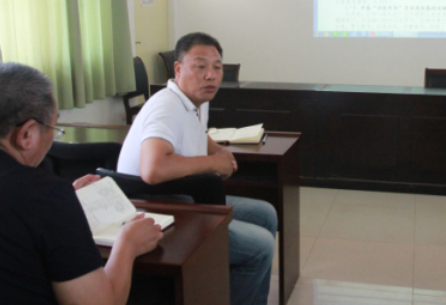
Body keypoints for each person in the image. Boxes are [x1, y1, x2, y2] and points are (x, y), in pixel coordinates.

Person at [117, 32, 277, 305]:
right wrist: (213, 163)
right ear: (178, 69)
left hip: (181, 199)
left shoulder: (194, 101)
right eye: (200, 66)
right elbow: (153, 168)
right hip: (157, 210)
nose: (211, 75)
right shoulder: (167, 106)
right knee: (260, 247)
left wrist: (217, 150)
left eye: (217, 67)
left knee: (266, 214)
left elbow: (195, 132)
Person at [0, 62, 163, 305]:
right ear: (27, 134)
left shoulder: (47, 197)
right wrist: (127, 244)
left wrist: (64, 202)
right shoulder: (46, 196)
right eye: (53, 128)